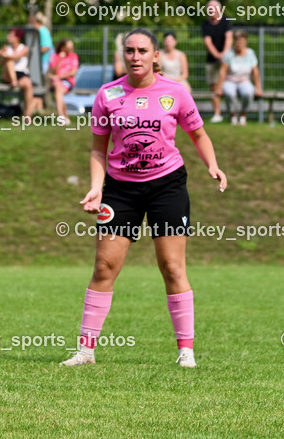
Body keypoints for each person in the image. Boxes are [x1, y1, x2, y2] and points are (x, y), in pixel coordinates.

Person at [62, 29, 226, 369]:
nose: (135, 56)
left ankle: (186, 352)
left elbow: (198, 133)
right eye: (130, 50)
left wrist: (212, 165)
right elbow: (97, 148)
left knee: (171, 267)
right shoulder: (108, 94)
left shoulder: (176, 92)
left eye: (142, 51)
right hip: (120, 189)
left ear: (156, 56)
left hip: (167, 186)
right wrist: (96, 186)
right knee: (104, 266)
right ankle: (85, 351)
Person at [218, 31, 263, 126]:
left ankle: (243, 115)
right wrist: (219, 87)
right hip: (230, 80)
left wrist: (258, 88)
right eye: (238, 41)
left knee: (248, 92)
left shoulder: (250, 53)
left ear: (246, 42)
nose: (239, 44)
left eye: (242, 41)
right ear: (235, 42)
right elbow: (223, 71)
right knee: (229, 93)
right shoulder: (229, 54)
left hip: (245, 80)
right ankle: (233, 116)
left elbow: (255, 72)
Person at [0, 28, 38, 118]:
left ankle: (28, 114)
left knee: (28, 85)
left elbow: (16, 57)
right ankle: (14, 81)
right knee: (9, 61)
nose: (8, 37)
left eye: (10, 35)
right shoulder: (6, 48)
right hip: (8, 75)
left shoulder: (24, 48)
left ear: (17, 37)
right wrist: (4, 56)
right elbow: (1, 63)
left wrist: (3, 54)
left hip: (21, 74)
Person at [201, 0, 232, 122]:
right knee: (214, 87)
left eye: (213, 8)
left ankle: (232, 114)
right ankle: (217, 113)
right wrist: (217, 55)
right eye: (209, 8)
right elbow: (207, 42)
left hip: (227, 60)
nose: (211, 10)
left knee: (228, 86)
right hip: (212, 60)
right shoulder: (205, 24)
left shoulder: (226, 21)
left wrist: (224, 55)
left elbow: (229, 39)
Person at [47, 38, 79, 125]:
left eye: (72, 48)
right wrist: (60, 59)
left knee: (59, 91)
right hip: (56, 81)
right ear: (62, 48)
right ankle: (64, 117)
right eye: (69, 48)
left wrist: (58, 76)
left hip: (67, 81)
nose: (71, 50)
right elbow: (53, 71)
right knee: (58, 89)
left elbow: (73, 73)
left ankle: (61, 116)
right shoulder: (54, 57)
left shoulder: (73, 56)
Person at [28, 11, 53, 78]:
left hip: (43, 61)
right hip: (36, 61)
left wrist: (33, 53)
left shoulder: (43, 30)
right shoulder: (34, 30)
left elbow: (47, 47)